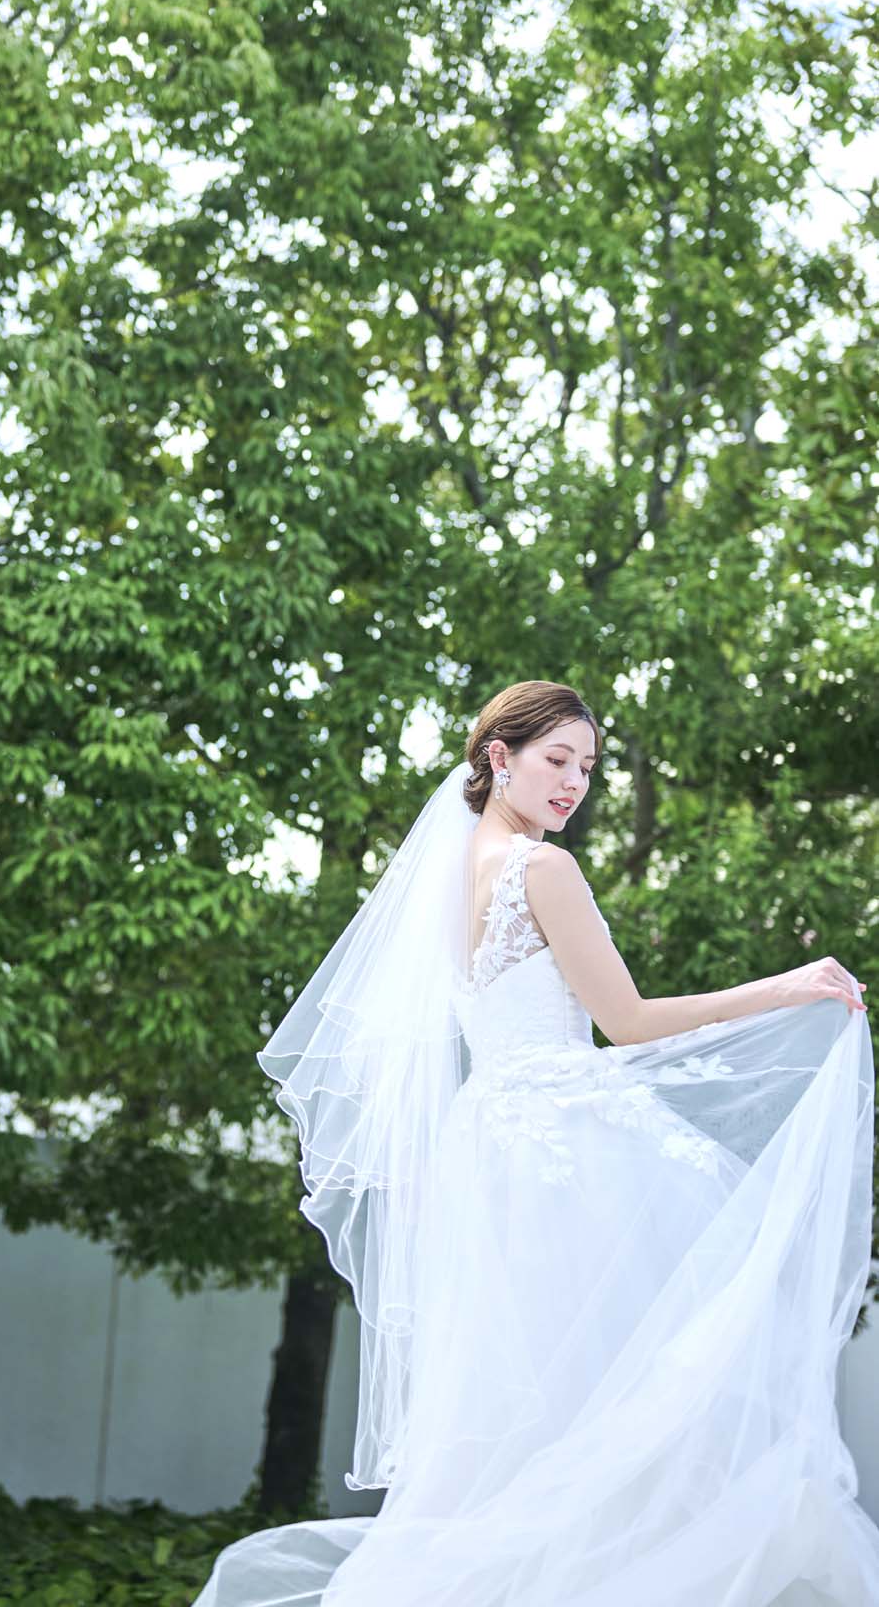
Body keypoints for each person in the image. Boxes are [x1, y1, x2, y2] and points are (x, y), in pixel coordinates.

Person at [191, 679, 879, 1606]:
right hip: (564, 1144)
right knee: (638, 1385)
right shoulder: (542, 871)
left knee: (528, 1412)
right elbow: (627, 1022)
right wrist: (785, 987)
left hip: (489, 1150)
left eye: (586, 768)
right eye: (556, 759)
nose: (573, 784)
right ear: (498, 757)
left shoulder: (443, 878)